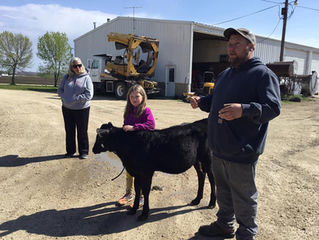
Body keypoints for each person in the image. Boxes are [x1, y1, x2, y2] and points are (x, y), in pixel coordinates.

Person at [190, 28, 281, 240]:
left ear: (251, 46)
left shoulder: (262, 75)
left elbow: (273, 107)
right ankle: (225, 225)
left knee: (244, 197)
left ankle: (246, 234)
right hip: (219, 148)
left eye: (236, 44)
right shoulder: (224, 75)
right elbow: (215, 103)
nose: (230, 48)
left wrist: (244, 110)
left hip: (242, 150)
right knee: (223, 192)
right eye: (229, 44)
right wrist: (201, 102)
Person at [116, 84, 155, 208]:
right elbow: (126, 125)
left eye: (137, 96)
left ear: (143, 97)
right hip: (131, 148)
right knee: (129, 170)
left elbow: (151, 125)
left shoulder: (146, 111)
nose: (134, 99)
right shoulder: (128, 111)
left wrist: (134, 128)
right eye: (131, 96)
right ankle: (129, 193)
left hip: (143, 148)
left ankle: (142, 196)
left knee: (142, 172)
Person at [58, 57, 94, 159]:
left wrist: (75, 99)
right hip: (67, 108)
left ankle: (83, 152)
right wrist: (65, 98)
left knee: (82, 131)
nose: (77, 68)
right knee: (69, 131)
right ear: (71, 67)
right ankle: (70, 151)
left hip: (82, 109)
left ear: (82, 66)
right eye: (75, 66)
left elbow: (89, 94)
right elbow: (60, 90)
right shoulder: (66, 77)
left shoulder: (86, 78)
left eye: (79, 65)